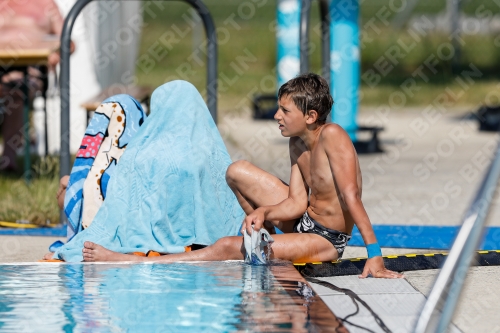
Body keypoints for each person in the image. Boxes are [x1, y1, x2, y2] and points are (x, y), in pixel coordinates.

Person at [81, 74, 402, 279]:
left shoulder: (333, 136)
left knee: (226, 246)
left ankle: (136, 263)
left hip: (325, 240)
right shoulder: (297, 142)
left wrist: (375, 256)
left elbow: (351, 198)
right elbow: (295, 202)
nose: (277, 116)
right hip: (303, 219)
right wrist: (263, 213)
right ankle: (266, 242)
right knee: (237, 171)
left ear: (310, 116)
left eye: (285, 111)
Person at [0, 0, 67, 171]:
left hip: (32, 69)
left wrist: (57, 53)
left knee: (16, 90)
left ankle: (8, 159)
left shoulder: (46, 5)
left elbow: (68, 40)